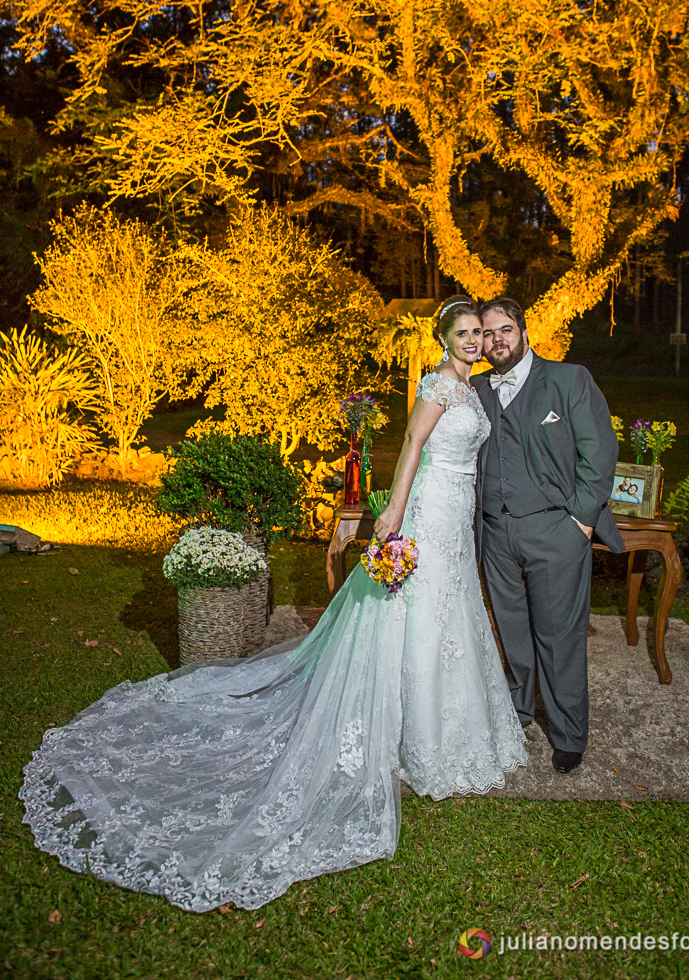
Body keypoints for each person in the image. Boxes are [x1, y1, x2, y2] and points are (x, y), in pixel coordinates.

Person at [20, 297, 525, 913]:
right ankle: (417, 737)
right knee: (418, 616)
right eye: (464, 332)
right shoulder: (436, 385)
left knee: (450, 616)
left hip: (458, 515)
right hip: (426, 513)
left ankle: (448, 727)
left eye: (479, 333)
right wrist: (391, 516)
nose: (474, 340)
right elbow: (412, 452)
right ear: (443, 336)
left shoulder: (471, 390)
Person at [474, 298, 624, 775]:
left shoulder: (567, 380)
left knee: (559, 637)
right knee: (513, 633)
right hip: (496, 534)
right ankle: (517, 713)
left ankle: (567, 733)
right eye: (489, 332)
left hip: (555, 531)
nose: (497, 339)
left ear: (523, 331)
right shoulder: (475, 388)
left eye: (505, 329)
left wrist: (579, 523)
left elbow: (599, 453)